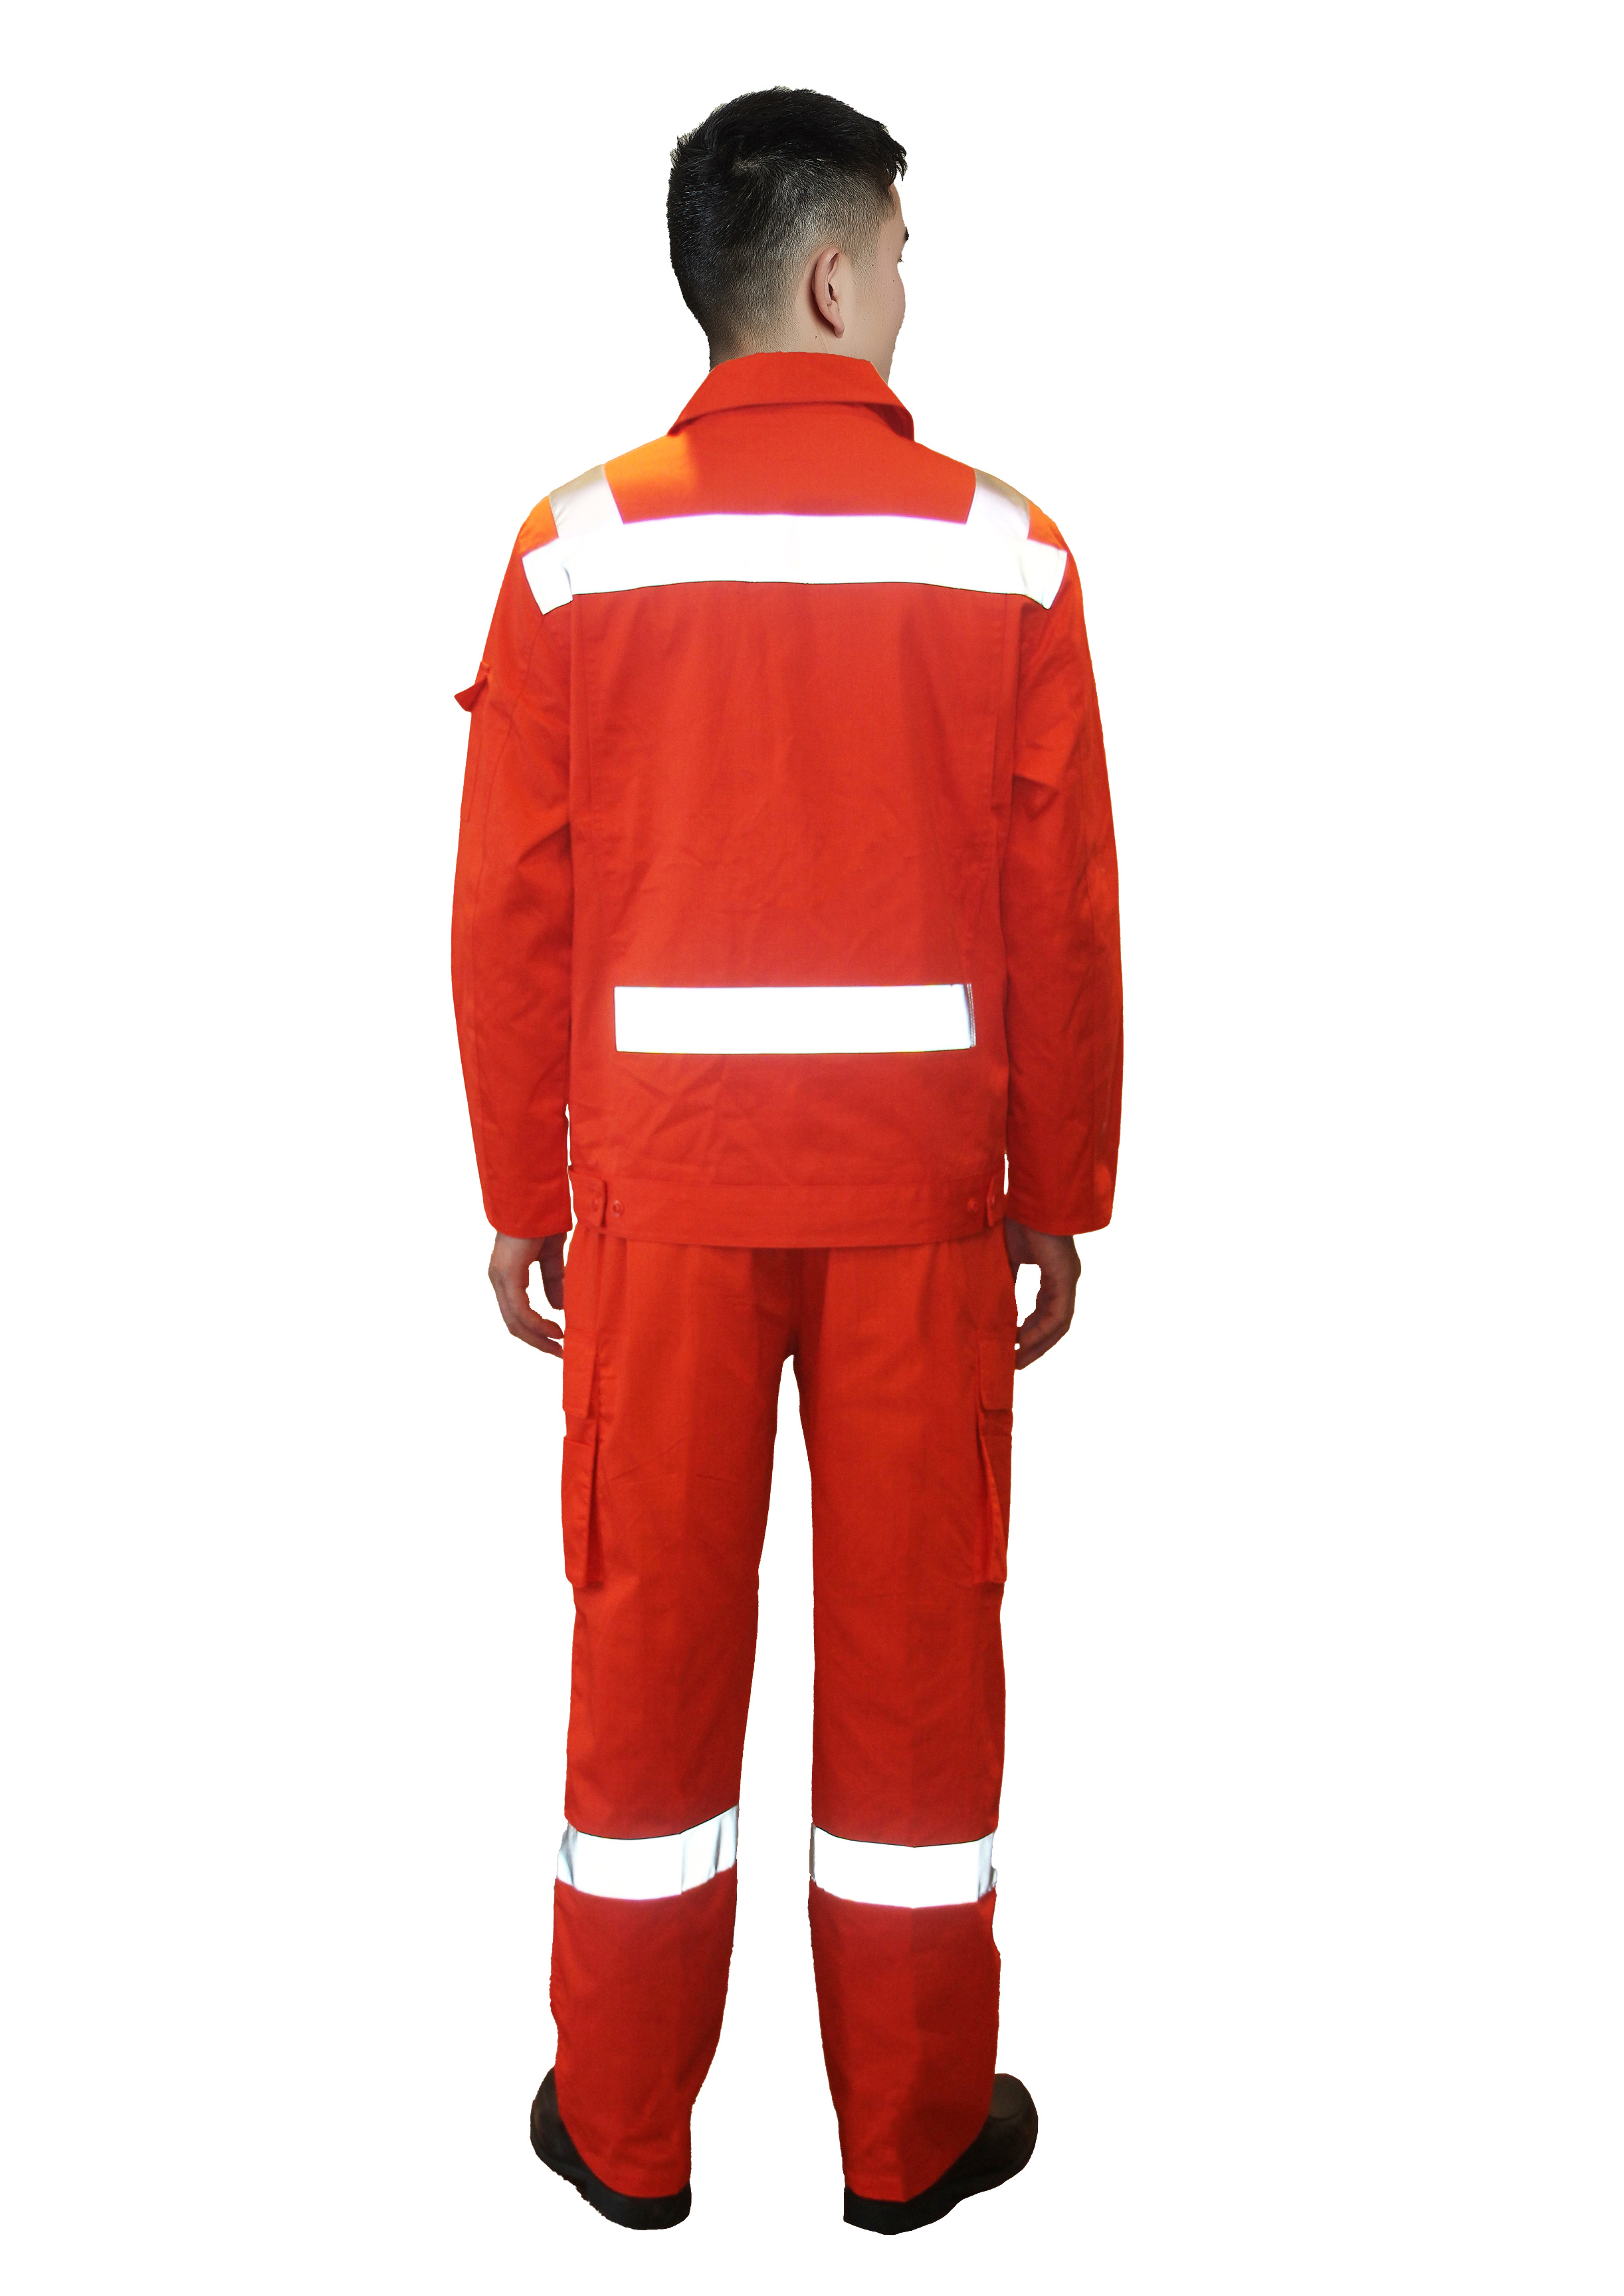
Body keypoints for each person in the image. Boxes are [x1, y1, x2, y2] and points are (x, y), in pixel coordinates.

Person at [451, 84, 1122, 2236]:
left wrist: (522, 1190)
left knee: (646, 1639)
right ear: (831, 275)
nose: (910, 289)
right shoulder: (1004, 549)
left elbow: (514, 902)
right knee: (917, 1658)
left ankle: (622, 2130)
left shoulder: (576, 547)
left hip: (659, 1202)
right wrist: (1060, 1188)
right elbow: (1060, 910)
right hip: (920, 1204)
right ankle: (908, 2138)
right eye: (901, 254)